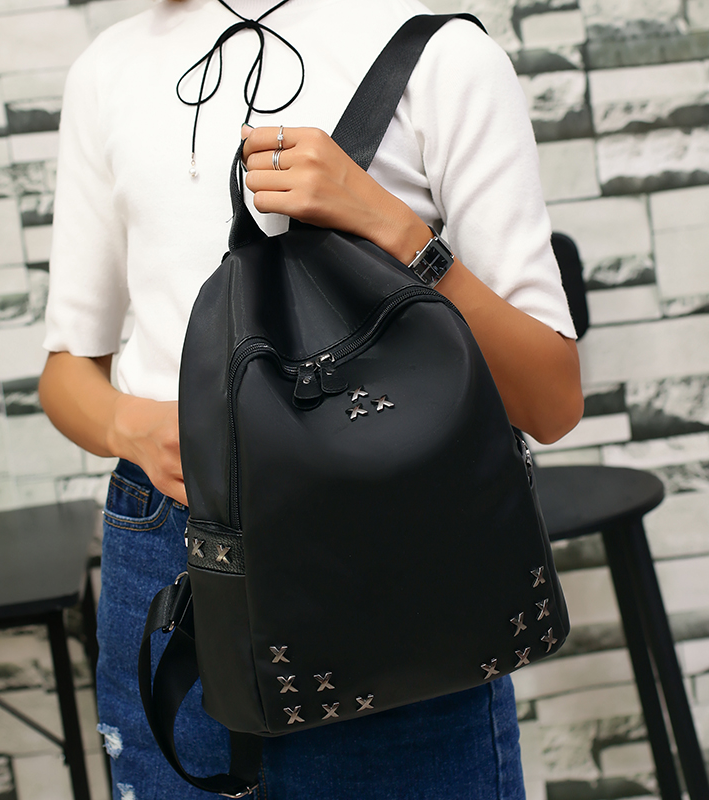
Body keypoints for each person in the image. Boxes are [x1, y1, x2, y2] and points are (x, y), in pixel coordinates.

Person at [39, 0, 583, 797]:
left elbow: (550, 399)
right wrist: (135, 426)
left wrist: (394, 230)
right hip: (169, 550)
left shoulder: (442, 56)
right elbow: (65, 375)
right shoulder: (107, 69)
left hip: (388, 559)